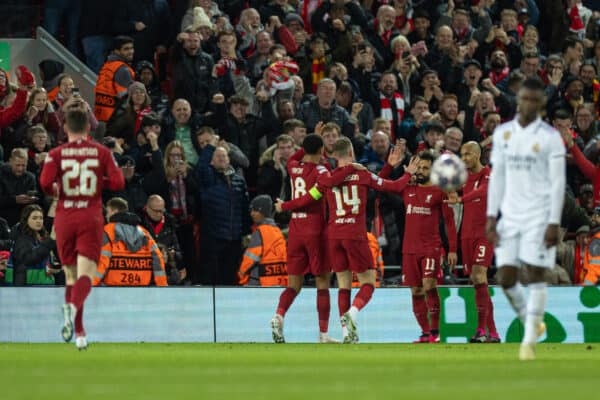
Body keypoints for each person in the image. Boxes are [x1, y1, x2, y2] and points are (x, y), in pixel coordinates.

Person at [486, 77, 566, 360]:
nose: (528, 103)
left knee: (535, 273)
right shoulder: (503, 134)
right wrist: (491, 216)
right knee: (505, 278)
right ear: (518, 99)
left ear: (542, 103)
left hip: (539, 215)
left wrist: (554, 222)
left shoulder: (550, 137)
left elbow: (558, 183)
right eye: (524, 98)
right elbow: (497, 178)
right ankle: (529, 319)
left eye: (534, 99)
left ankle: (529, 341)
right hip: (510, 215)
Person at [39, 100, 125, 350]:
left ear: (65, 128)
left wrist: (60, 190)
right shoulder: (101, 152)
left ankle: (79, 333)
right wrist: (100, 184)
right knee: (86, 275)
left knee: (70, 277)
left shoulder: (56, 154)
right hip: (90, 216)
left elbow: (44, 184)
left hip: (65, 216)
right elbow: (119, 183)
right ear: (88, 126)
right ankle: (73, 309)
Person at [271, 134, 352, 344]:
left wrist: (309, 138)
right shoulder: (321, 171)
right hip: (315, 228)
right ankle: (323, 334)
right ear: (320, 151)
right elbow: (312, 197)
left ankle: (278, 315)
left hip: (295, 229)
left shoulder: (292, 167)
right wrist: (286, 205)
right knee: (322, 281)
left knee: (294, 285)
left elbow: (298, 155)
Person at [381, 151, 457, 343]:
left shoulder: (441, 191)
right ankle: (424, 333)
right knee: (415, 291)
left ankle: (435, 332)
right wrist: (391, 166)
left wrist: (453, 250)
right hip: (409, 249)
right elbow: (380, 184)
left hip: (431, 247)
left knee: (429, 285)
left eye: (425, 168)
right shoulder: (407, 187)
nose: (421, 171)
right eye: (419, 167)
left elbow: (449, 222)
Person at [446, 142, 499, 343]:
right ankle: (492, 332)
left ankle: (480, 329)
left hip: (484, 233)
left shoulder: (489, 174)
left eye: (467, 154)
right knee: (478, 281)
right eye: (462, 154)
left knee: (479, 273)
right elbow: (450, 186)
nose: (464, 158)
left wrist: (461, 199)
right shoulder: (464, 177)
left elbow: (484, 191)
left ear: (477, 155)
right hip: (466, 235)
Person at [94, 197, 167, 287]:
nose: (106, 216)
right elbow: (158, 261)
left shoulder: (108, 232)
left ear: (115, 212)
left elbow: (102, 262)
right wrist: (162, 287)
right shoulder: (144, 233)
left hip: (113, 291)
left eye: (108, 212)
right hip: (141, 290)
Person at [238, 195, 287, 286]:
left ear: (263, 212)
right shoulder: (278, 231)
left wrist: (241, 275)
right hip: (278, 282)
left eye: (255, 210)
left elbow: (250, 260)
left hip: (259, 283)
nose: (252, 214)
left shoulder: (260, 232)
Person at [5, 205, 57, 286]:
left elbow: (42, 259)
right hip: (27, 288)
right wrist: (50, 241)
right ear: (26, 220)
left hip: (40, 285)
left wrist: (54, 269)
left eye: (41, 218)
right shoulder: (21, 238)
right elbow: (28, 259)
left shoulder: (40, 236)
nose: (38, 221)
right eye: (34, 218)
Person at [94, 36, 136, 122]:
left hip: (100, 117)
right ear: (117, 51)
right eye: (126, 49)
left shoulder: (107, 65)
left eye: (132, 48)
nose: (131, 52)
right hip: (116, 120)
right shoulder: (123, 70)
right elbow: (127, 99)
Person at [0, 148, 39, 227]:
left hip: (23, 214)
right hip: (3, 214)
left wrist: (32, 199)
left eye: (23, 165)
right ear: (10, 161)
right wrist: (15, 200)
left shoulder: (31, 177)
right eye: (17, 165)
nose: (20, 169)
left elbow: (36, 198)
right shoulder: (1, 175)